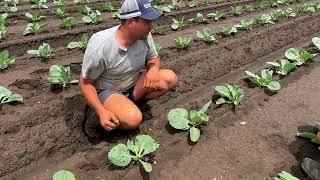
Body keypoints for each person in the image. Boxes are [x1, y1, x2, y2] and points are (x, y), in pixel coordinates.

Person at [79, 0, 178, 137]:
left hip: (132, 84)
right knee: (134, 119)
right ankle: (96, 114)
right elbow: (86, 83)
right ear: (131, 22)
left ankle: (128, 103)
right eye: (147, 22)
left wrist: (153, 70)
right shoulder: (101, 45)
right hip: (108, 90)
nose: (151, 27)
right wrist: (101, 111)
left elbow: (153, 58)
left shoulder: (144, 36)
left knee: (170, 78)